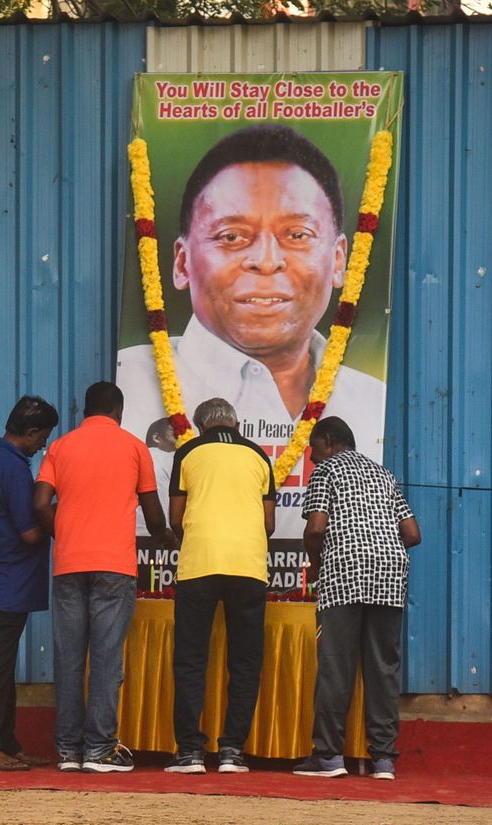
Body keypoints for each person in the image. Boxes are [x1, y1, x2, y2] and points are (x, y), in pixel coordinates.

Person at [115, 124, 387, 536]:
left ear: (338, 260)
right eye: (232, 236)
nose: (265, 261)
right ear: (182, 262)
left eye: (297, 235)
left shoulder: (368, 403)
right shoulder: (132, 387)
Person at [33, 381, 170, 773]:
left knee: (69, 659)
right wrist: (165, 538)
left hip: (68, 565)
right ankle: (99, 750)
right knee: (107, 659)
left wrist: (64, 533)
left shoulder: (60, 447)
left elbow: (40, 501)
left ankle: (68, 750)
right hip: (114, 566)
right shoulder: (134, 447)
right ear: (119, 413)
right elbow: (154, 513)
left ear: (84, 412)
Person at [292, 416, 420, 780]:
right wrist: (381, 547)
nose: (314, 460)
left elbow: (316, 528)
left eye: (315, 451)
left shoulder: (327, 471)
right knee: (383, 669)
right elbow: (412, 533)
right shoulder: (383, 474)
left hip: (344, 573)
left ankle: (329, 757)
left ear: (329, 441)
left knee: (336, 665)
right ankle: (383, 760)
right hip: (390, 574)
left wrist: (316, 564)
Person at [164, 399, 274, 775]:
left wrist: (197, 537)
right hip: (248, 566)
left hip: (199, 564)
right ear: (235, 423)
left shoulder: (189, 452)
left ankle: (191, 752)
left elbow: (175, 518)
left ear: (199, 424)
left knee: (191, 659)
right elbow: (269, 523)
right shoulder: (259, 455)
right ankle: (232, 752)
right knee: (245, 662)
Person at [0, 395, 60, 771]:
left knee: (0, 667)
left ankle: (5, 742)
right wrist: (63, 503)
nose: (44, 445)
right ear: (31, 432)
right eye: (44, 437)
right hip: (4, 580)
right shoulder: (12, 468)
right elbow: (31, 533)